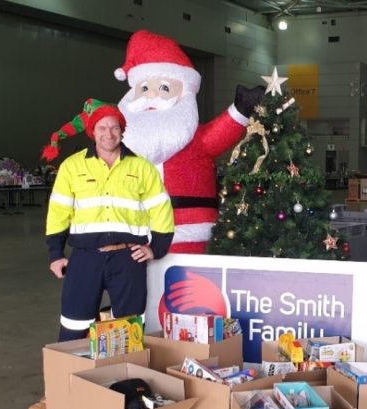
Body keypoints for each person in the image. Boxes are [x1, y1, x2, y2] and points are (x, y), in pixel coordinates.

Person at [28, 99, 175, 409]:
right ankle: (55, 394)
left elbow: (161, 210)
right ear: (92, 132)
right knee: (73, 325)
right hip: (85, 259)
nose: (108, 133)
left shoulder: (142, 168)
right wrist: (56, 253)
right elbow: (59, 211)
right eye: (102, 127)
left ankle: (128, 393)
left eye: (114, 127)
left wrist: (156, 247)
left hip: (128, 260)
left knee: (128, 329)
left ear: (123, 131)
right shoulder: (72, 166)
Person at [107, 30, 265, 254]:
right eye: (144, 88)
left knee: (189, 285)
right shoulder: (120, 143)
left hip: (190, 230)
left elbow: (219, 135)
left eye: (163, 87)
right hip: (134, 231)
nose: (151, 95)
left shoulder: (193, 138)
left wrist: (241, 109)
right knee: (139, 286)